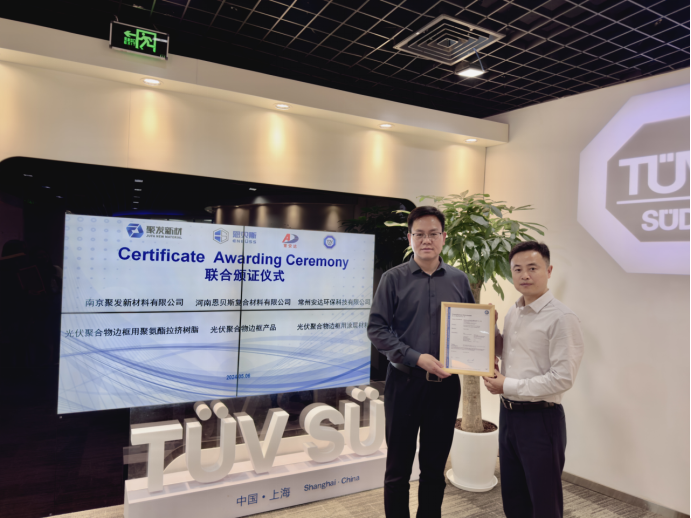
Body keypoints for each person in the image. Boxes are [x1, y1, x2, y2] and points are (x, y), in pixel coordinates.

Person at [367, 206, 475, 518]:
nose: (426, 240)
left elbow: (470, 327)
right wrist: (416, 357)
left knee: (434, 468)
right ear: (410, 237)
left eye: (433, 234)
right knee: (398, 468)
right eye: (419, 234)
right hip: (404, 384)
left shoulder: (459, 280)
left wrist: (485, 343)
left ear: (444, 237)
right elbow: (376, 329)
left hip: (445, 387)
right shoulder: (393, 279)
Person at [483, 241, 584, 518]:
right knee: (514, 495)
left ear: (548, 271)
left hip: (541, 419)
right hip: (508, 415)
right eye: (517, 269)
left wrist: (506, 385)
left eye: (532, 268)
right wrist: (489, 327)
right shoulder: (514, 311)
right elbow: (508, 351)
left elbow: (562, 379)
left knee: (543, 500)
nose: (524, 275)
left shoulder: (562, 318)